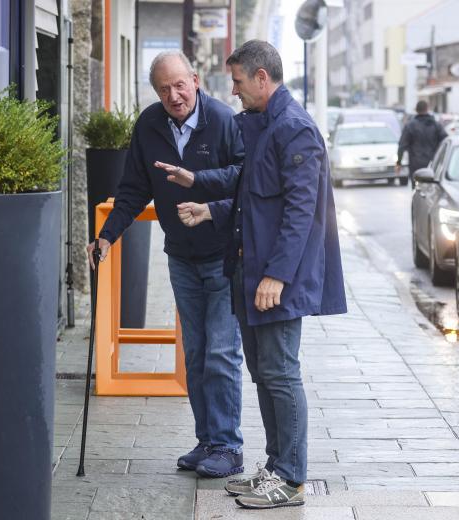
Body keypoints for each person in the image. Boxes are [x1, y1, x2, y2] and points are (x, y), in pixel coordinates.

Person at [174, 40, 347, 509]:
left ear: (262, 79)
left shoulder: (295, 130)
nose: (234, 92)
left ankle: (290, 480)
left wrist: (277, 276)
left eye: (238, 82)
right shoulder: (262, 128)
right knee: (264, 373)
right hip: (252, 274)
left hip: (275, 281)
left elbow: (300, 213)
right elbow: (255, 203)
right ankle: (274, 468)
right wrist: (210, 211)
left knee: (280, 373)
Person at [86, 51, 247, 478]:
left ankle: (229, 447)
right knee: (194, 353)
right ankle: (207, 440)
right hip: (181, 258)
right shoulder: (150, 124)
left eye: (179, 85)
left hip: (223, 257)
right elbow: (134, 188)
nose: (173, 95)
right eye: (163, 88)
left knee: (221, 353)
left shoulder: (223, 120)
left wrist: (206, 199)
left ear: (195, 80)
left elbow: (244, 182)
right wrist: (106, 237)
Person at [396, 100, 447, 187]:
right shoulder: (435, 125)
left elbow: (402, 146)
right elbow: (445, 141)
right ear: (427, 109)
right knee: (432, 188)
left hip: (416, 165)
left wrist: (399, 163)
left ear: (416, 110)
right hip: (433, 163)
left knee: (417, 189)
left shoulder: (410, 126)